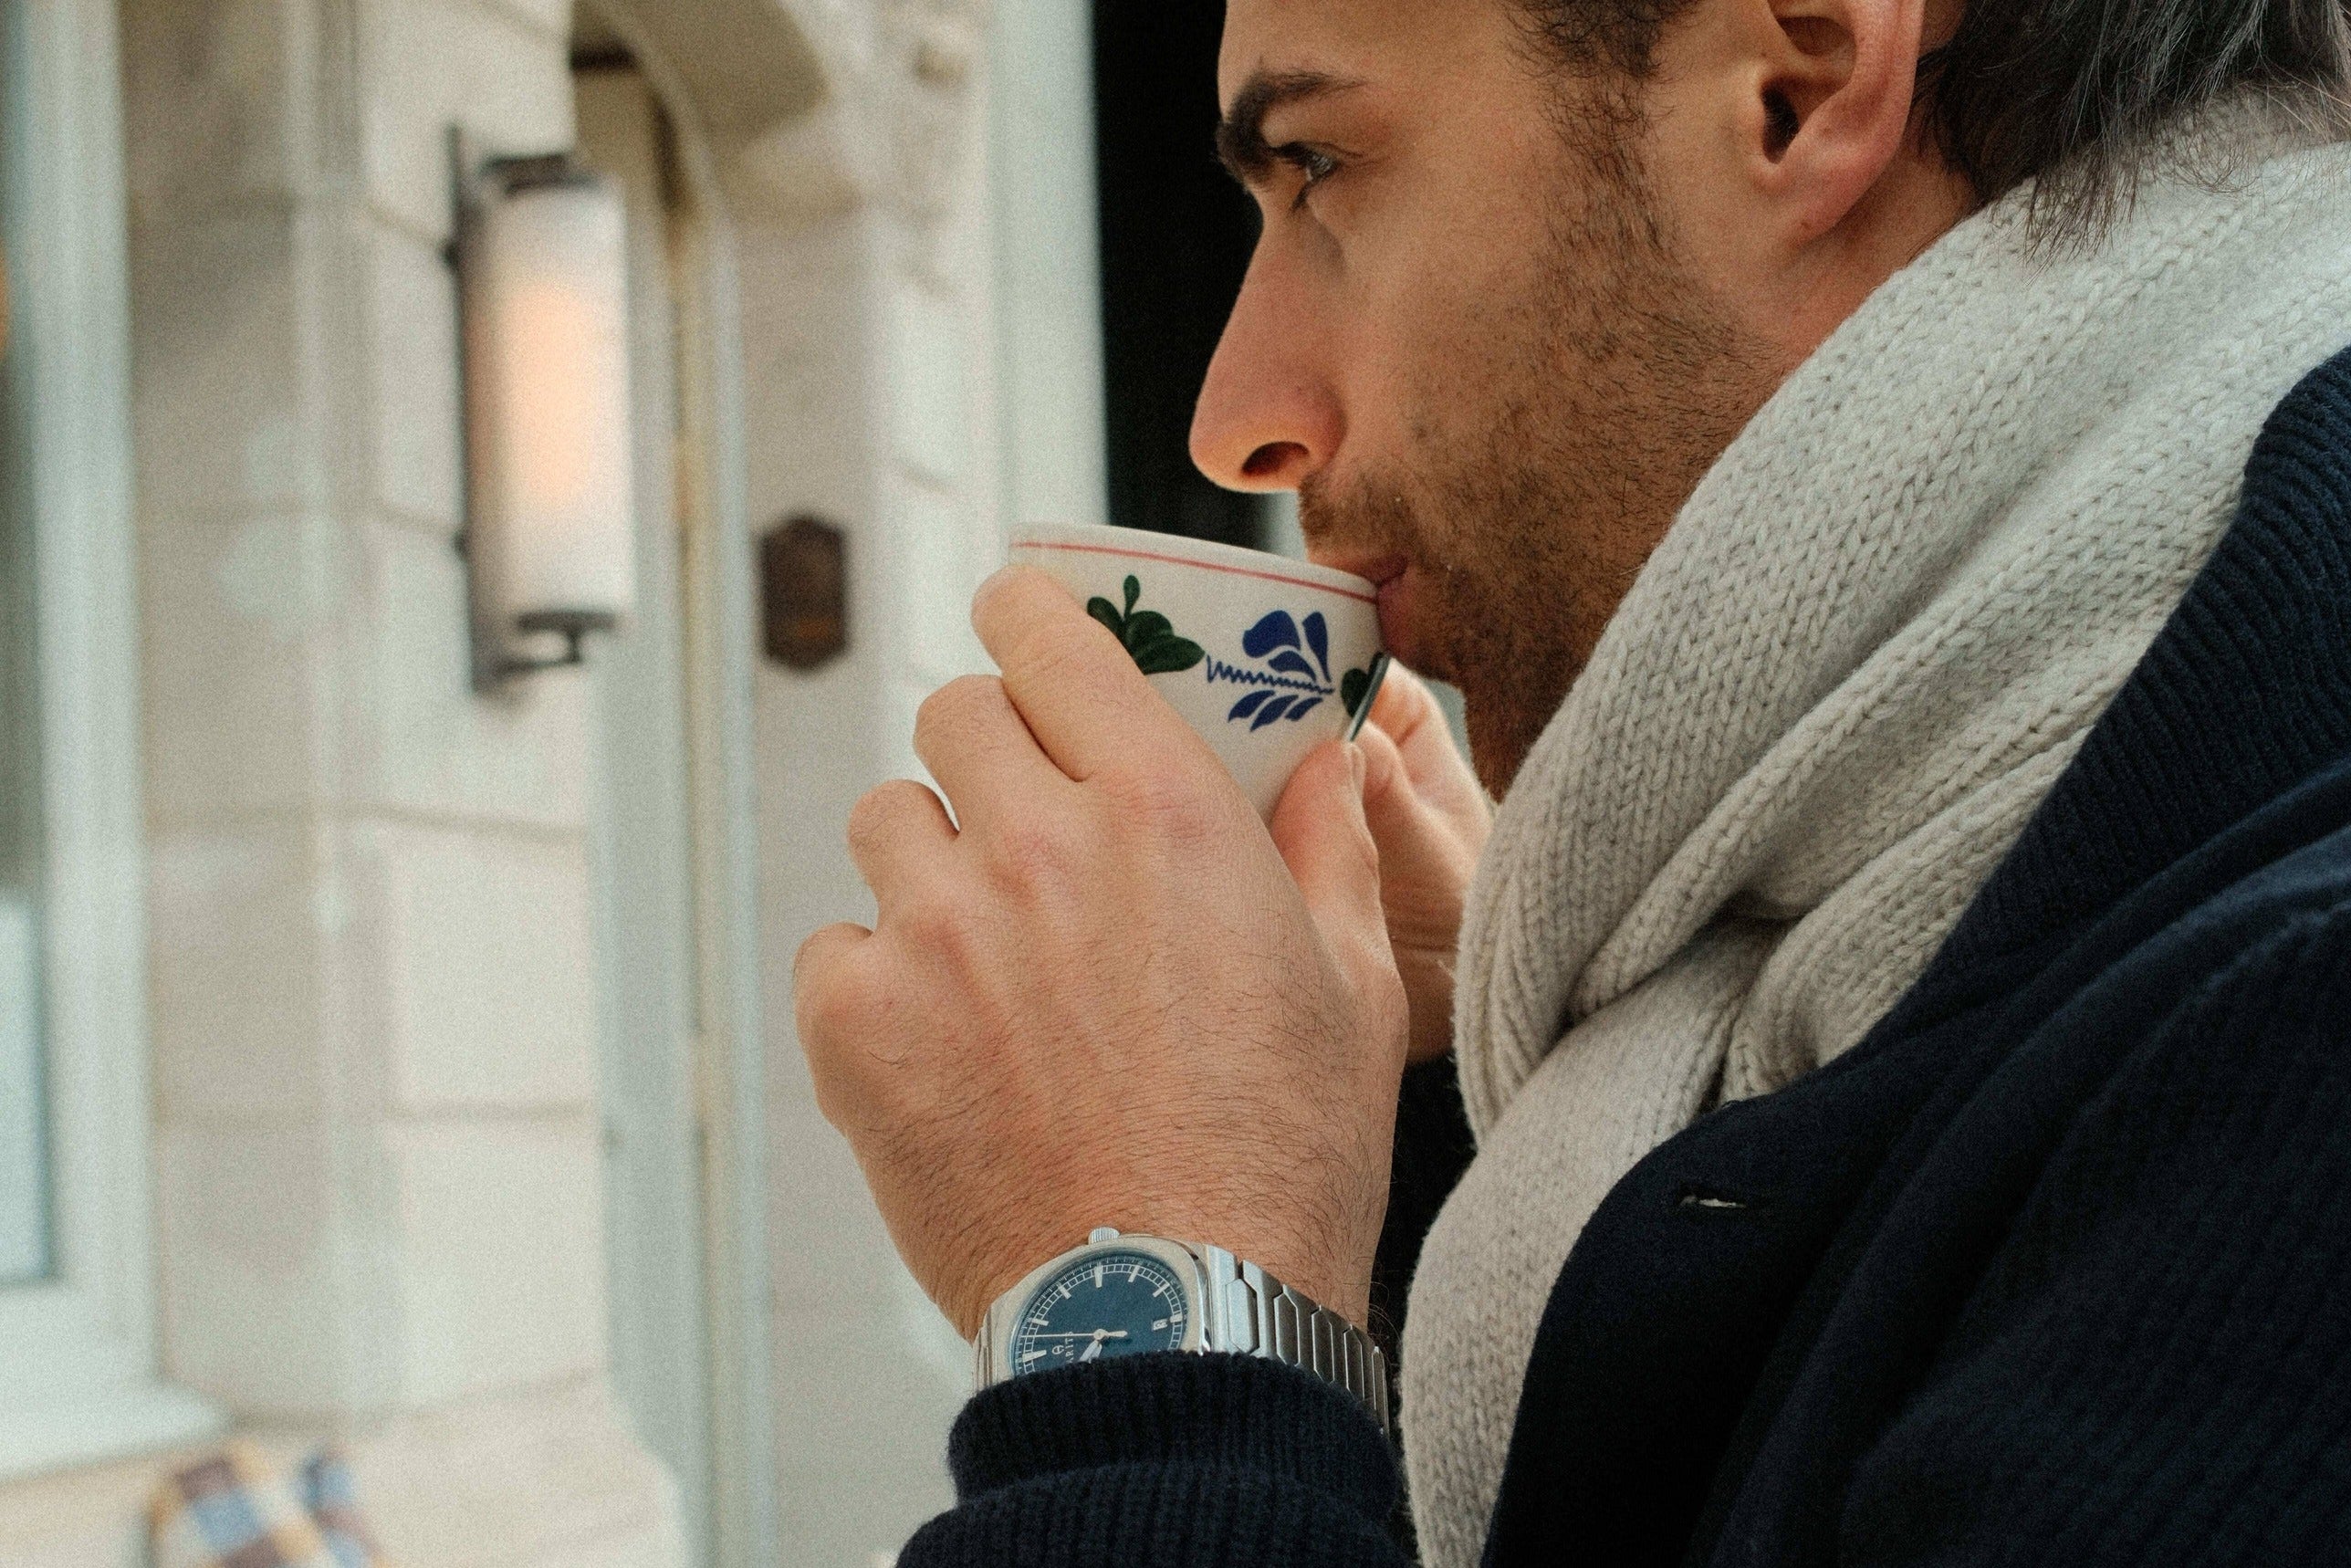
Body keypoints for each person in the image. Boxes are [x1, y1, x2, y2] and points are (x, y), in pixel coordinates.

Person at [792, 0, 2351, 1559]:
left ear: (1798, 83)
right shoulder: (2077, 917)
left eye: (1323, 163)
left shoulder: (2295, 1057)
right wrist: (1420, 1127)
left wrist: (1150, 1300)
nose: (1236, 421)